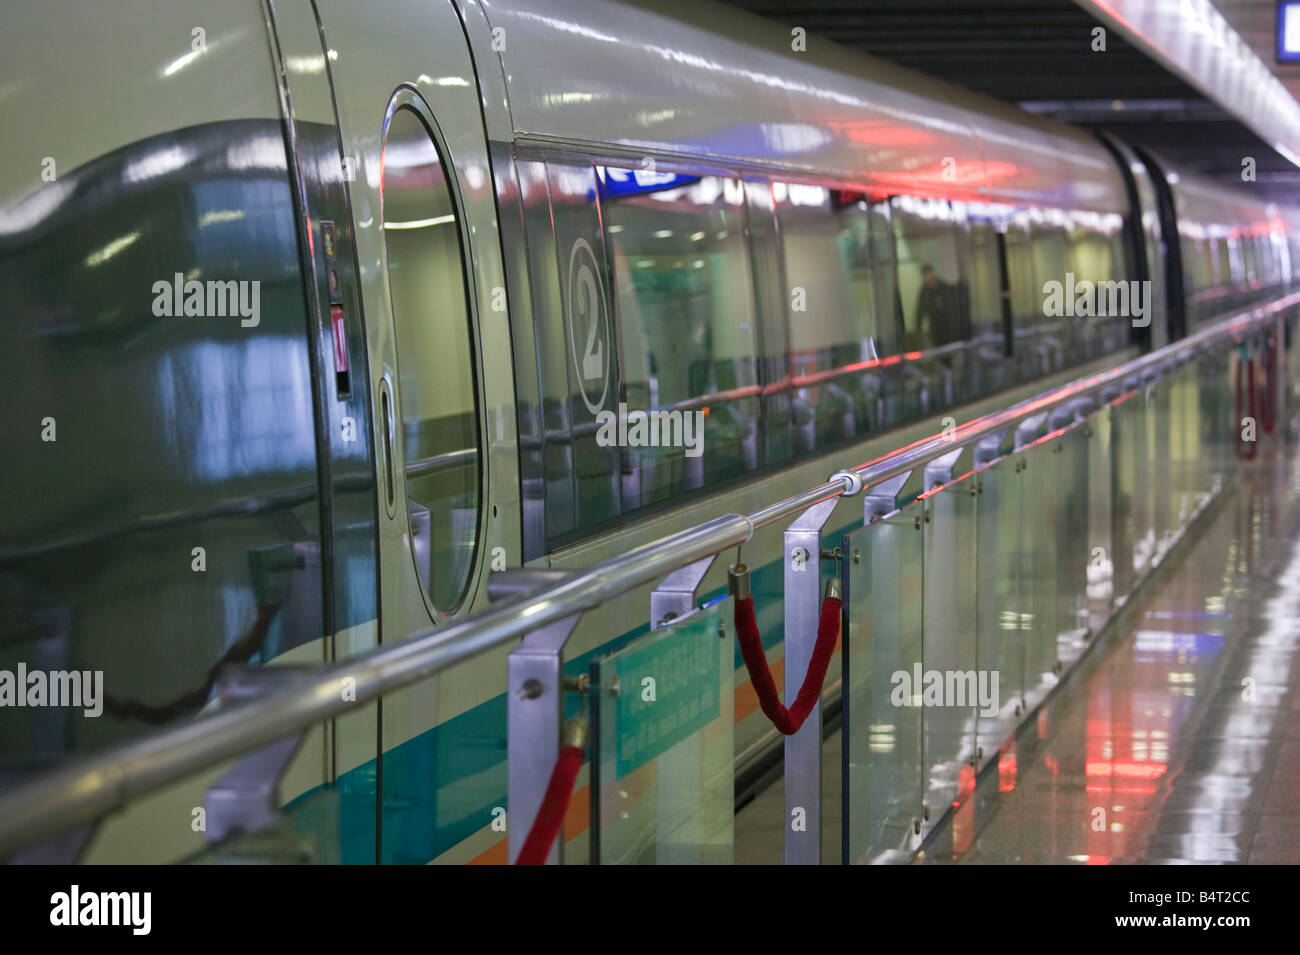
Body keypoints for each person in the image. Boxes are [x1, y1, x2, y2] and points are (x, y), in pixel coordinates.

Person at [915, 264, 962, 347]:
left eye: (929, 274)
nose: (928, 277)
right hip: (935, 328)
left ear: (933, 274)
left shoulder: (944, 287)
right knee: (939, 348)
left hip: (948, 325)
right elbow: (920, 311)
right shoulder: (924, 292)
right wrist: (918, 329)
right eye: (926, 275)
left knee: (949, 349)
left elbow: (954, 306)